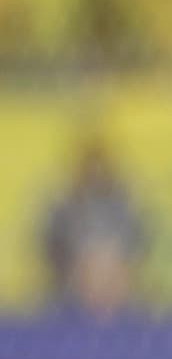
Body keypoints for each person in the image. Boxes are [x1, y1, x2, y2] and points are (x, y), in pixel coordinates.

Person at [39, 136, 147, 320]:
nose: (96, 174)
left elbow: (138, 247)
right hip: (72, 286)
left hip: (118, 286)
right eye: (91, 168)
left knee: (107, 261)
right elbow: (50, 248)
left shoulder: (123, 205)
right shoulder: (65, 207)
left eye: (100, 168)